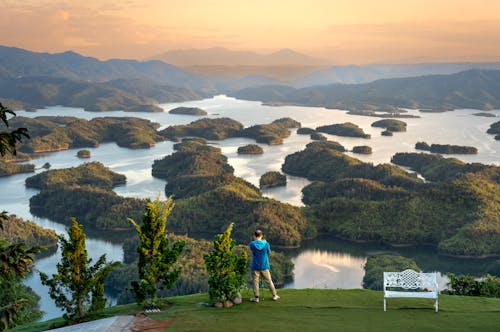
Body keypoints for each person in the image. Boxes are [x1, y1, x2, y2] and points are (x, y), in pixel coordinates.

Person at [249, 229, 279, 302]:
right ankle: (274, 295)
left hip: (255, 265)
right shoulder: (266, 244)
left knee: (255, 282)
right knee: (269, 281)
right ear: (261, 236)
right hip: (264, 265)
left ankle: (256, 298)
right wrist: (265, 242)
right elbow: (269, 252)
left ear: (254, 236)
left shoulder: (252, 244)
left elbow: (253, 252)